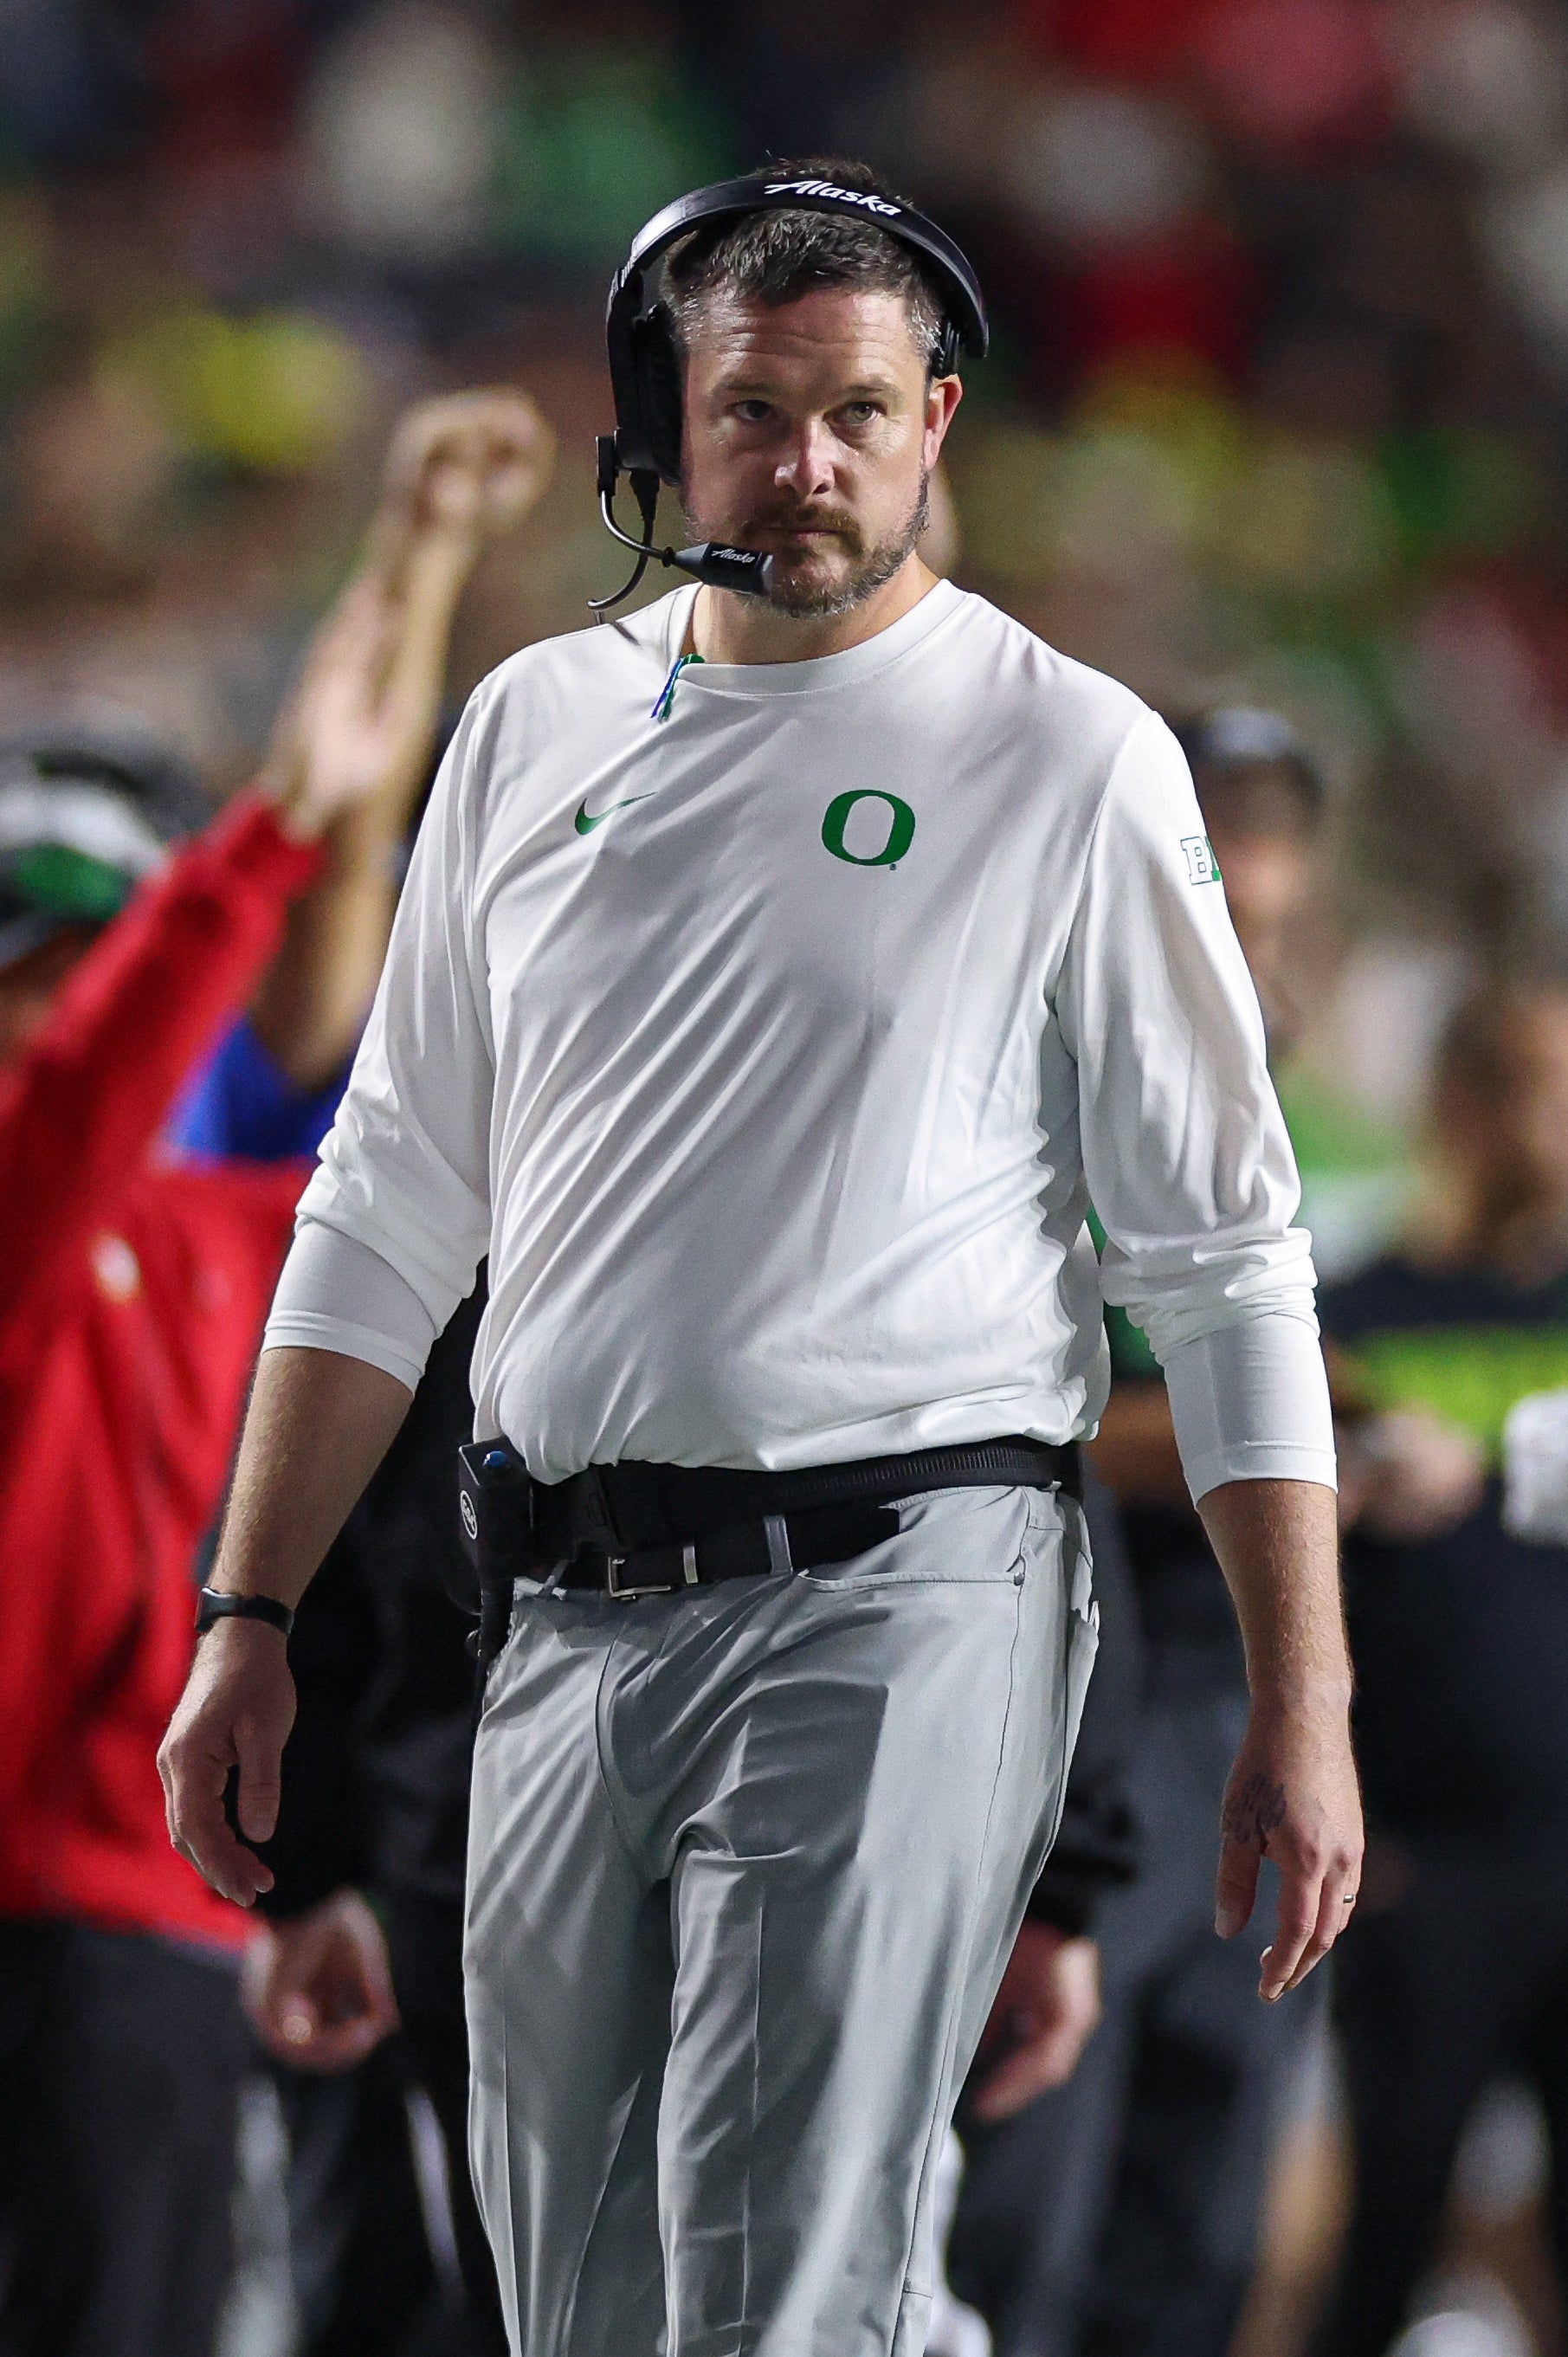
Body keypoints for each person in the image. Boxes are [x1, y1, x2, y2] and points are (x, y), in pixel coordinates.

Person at [160, 161, 1359, 2357]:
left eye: (861, 411)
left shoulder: (1071, 754)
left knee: (771, 2284)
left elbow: (1226, 1256)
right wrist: (248, 1608)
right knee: (575, 2310)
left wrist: (1308, 1690)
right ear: (662, 422)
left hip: (907, 1581)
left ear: (940, 424)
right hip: (553, 1612)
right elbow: (388, 1199)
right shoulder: (525, 729)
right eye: (754, 409)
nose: (808, 462)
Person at [0, 388, 549, 2357]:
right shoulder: (36, 1197)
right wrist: (268, 824)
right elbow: (277, 881)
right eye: (45, 958)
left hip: (155, 1903)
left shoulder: (218, 1215)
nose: (76, 995)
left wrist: (413, 565)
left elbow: (323, 908)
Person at [947, 707, 1339, 2357]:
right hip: (1064, 1674)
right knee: (1032, 2190)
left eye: (1271, 874)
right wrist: (1280, 1445)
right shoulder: (1032, 1078)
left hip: (1233, 1669)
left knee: (1203, 2195)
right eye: (1217, 865)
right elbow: (995, 1410)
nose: (1242, 913)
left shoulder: (1312, 1108)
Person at [1307, 976, 1568, 2356]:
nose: (1554, 1116)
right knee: (1384, 2240)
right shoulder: (1357, 1312)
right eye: (1526, 1078)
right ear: (1456, 1100)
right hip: (1427, 1863)